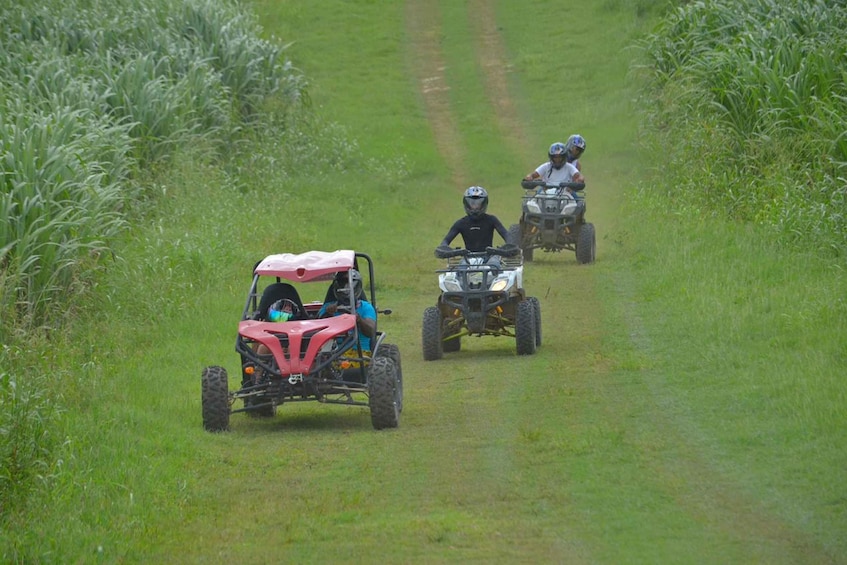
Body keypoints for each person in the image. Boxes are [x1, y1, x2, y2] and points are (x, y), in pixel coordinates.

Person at [437, 186, 512, 253]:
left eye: (478, 204)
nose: (475, 207)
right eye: (472, 204)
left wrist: (508, 246)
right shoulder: (461, 223)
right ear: (466, 204)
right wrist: (445, 248)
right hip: (467, 259)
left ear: (484, 204)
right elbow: (446, 240)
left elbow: (506, 234)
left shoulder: (491, 220)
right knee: (460, 267)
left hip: (490, 258)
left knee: (496, 264)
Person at [319, 269, 376, 352]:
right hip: (332, 354)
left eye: (349, 284)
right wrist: (328, 315)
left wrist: (359, 320)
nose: (345, 288)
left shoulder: (366, 307)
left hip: (361, 354)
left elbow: (371, 332)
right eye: (342, 283)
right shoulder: (328, 307)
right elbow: (317, 331)